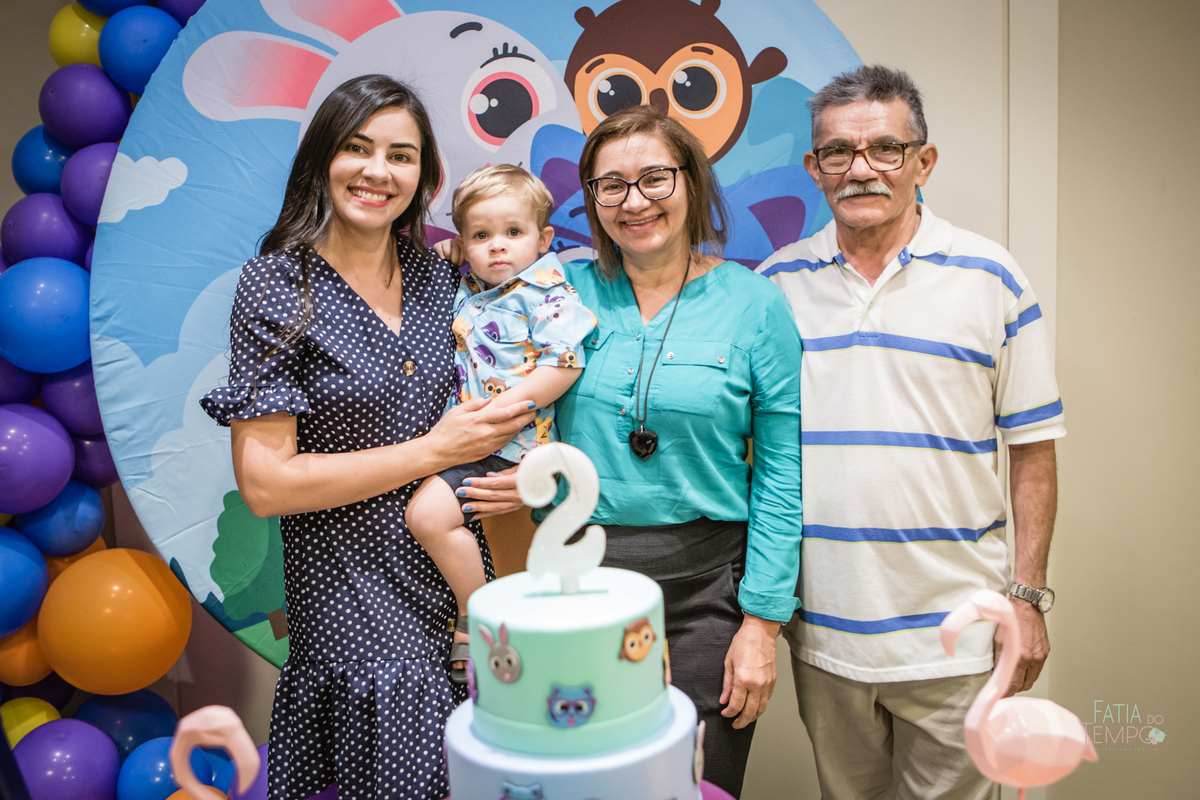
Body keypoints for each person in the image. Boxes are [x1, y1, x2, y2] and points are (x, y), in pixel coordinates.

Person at [199, 75, 534, 800]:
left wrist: (515, 471)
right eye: (358, 148)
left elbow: (524, 357)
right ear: (322, 158)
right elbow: (266, 485)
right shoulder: (278, 284)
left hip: (462, 586)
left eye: (401, 156)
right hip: (352, 599)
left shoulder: (443, 276)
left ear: (423, 176)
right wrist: (434, 451)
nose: (378, 171)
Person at [757, 65, 1065, 799]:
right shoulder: (773, 287)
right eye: (839, 152)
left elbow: (1032, 450)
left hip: (959, 639)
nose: (861, 169)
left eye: (886, 149)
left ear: (923, 162)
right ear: (815, 169)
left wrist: (1027, 597)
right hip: (823, 634)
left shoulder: (992, 277)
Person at [554, 105, 803, 798]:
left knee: (695, 785)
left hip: (707, 595)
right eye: (611, 185)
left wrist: (762, 625)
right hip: (581, 587)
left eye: (654, 178)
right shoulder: (559, 294)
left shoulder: (756, 305)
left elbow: (781, 472)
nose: (634, 202)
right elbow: (475, 322)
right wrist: (458, 254)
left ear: (691, 180)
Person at [406, 164, 596, 681]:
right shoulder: (472, 282)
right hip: (471, 443)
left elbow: (564, 365)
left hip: (511, 447)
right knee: (426, 518)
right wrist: (453, 250)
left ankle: (478, 622)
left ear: (544, 239)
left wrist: (499, 413)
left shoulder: (549, 294)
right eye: (481, 236)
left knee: (432, 519)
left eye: (513, 232)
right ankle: (480, 614)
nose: (497, 247)